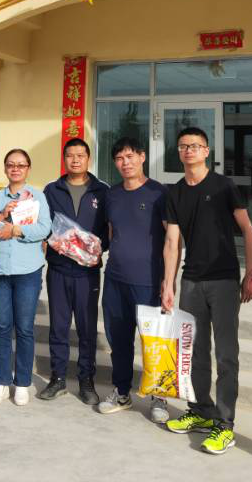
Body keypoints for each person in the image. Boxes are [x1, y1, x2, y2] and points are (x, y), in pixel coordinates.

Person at [162, 126, 252, 455]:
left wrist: (250, 273)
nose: (188, 150)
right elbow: (172, 242)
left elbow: (247, 229)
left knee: (226, 354)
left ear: (206, 151)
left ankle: (225, 424)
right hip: (191, 281)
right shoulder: (175, 192)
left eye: (195, 146)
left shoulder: (223, 186)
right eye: (183, 146)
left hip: (224, 281)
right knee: (195, 352)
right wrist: (168, 283)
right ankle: (201, 410)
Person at [97, 137, 169, 422]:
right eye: (119, 158)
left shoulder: (159, 193)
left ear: (142, 157)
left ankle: (159, 395)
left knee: (154, 341)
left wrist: (168, 280)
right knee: (119, 339)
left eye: (130, 156)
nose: (125, 163)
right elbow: (112, 232)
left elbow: (172, 240)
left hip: (148, 281)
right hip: (115, 279)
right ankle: (122, 392)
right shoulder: (112, 195)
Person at [0, 148, 51, 406]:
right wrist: (2, 216)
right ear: (5, 168)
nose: (15, 169)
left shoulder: (37, 197)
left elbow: (45, 228)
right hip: (0, 272)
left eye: (21, 165)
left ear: (28, 169)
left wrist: (16, 230)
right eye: (11, 165)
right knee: (2, 328)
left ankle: (22, 383)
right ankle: (0, 382)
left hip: (28, 271)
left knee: (25, 328)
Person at [39, 137, 108, 405]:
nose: (75, 160)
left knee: (87, 328)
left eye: (80, 155)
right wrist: (54, 241)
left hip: (87, 272)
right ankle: (57, 378)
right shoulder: (52, 190)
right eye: (70, 155)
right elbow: (44, 225)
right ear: (64, 158)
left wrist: (96, 247)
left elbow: (109, 230)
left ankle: (86, 380)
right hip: (58, 269)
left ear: (89, 159)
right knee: (58, 326)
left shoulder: (102, 191)